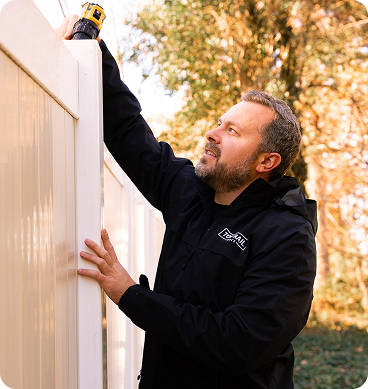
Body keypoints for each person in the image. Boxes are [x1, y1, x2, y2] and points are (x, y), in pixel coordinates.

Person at [58, 16, 317, 389]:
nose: (212, 133)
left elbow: (237, 343)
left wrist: (131, 295)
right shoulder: (190, 192)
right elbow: (129, 133)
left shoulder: (288, 235)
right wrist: (93, 51)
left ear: (266, 162)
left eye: (232, 131)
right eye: (219, 122)